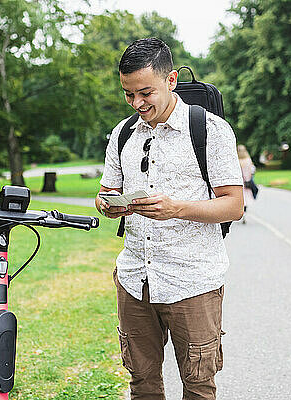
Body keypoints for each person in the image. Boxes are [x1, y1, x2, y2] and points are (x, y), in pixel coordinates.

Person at [94, 37, 244, 400]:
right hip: (134, 280)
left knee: (198, 385)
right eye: (128, 94)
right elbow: (104, 193)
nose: (137, 103)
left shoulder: (210, 131)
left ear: (171, 80)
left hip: (192, 281)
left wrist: (175, 208)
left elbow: (234, 205)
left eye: (146, 92)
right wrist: (108, 204)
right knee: (142, 382)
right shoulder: (123, 133)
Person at [237, 144, 258, 224]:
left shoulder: (237, 161)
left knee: (241, 198)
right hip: (247, 182)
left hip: (240, 182)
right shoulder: (248, 160)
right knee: (246, 198)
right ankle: (244, 214)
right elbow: (253, 170)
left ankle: (242, 214)